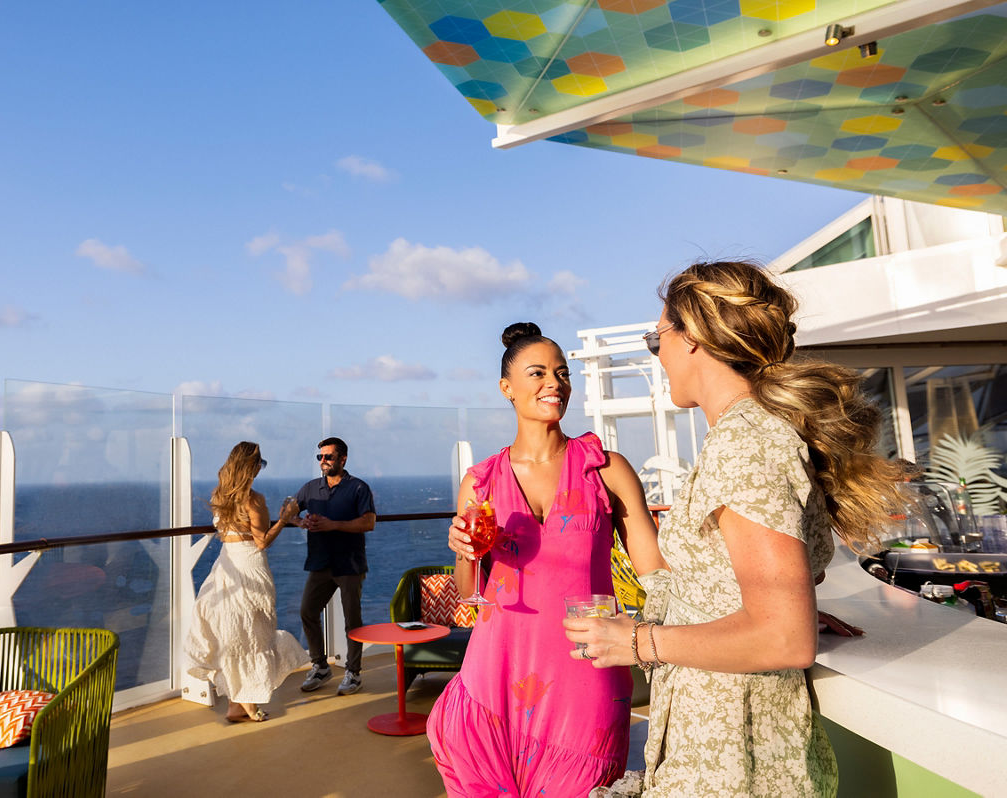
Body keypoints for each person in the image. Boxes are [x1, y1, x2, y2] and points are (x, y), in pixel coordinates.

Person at [566, 260, 905, 797]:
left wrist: (637, 641)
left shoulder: (749, 445)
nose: (659, 359)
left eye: (657, 341)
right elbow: (754, 597)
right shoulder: (754, 435)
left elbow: (783, 638)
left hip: (735, 763)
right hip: (723, 747)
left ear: (693, 338)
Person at [428, 322, 663, 796]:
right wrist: (464, 552)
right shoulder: (480, 482)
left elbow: (658, 572)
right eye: (537, 373)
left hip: (586, 669)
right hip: (494, 671)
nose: (554, 383)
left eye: (562, 373)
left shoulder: (606, 470)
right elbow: (469, 585)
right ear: (506, 389)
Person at [184, 441, 307, 723]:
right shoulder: (254, 500)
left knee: (235, 635)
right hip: (250, 568)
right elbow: (262, 541)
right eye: (260, 465)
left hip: (226, 567)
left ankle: (236, 705)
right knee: (255, 635)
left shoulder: (220, 495)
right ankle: (247, 704)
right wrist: (286, 518)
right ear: (251, 467)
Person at [285, 436, 376, 696]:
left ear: (342, 459)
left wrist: (333, 525)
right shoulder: (310, 488)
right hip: (320, 563)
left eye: (328, 457)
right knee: (307, 612)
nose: (323, 461)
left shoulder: (358, 488)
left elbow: (368, 522)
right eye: (320, 457)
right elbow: (288, 510)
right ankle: (321, 666)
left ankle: (353, 672)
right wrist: (299, 522)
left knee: (352, 622)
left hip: (349, 564)